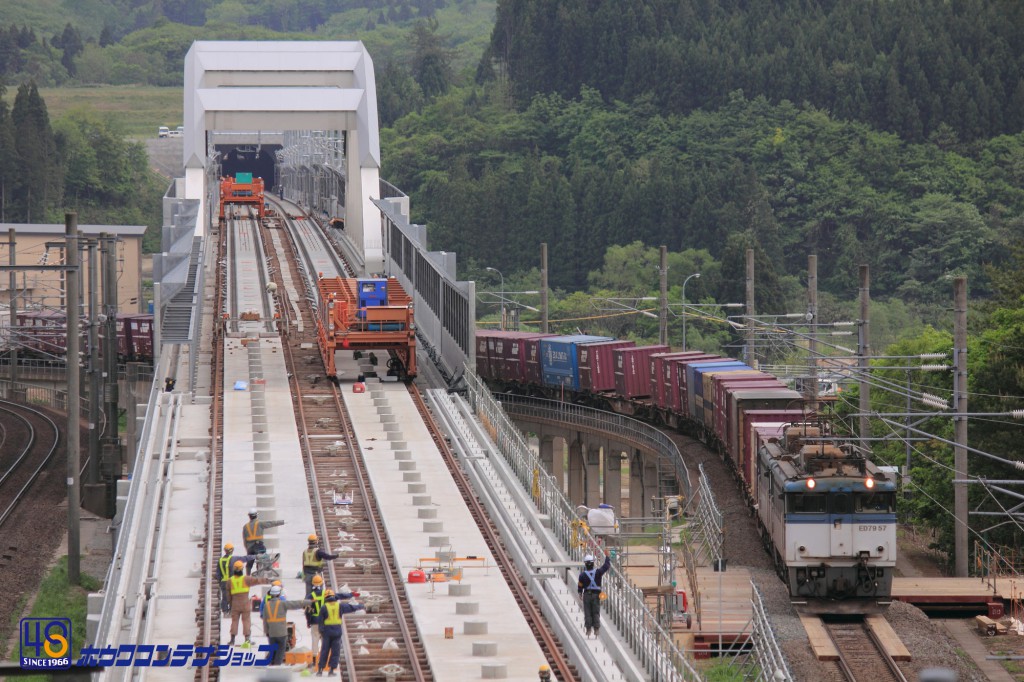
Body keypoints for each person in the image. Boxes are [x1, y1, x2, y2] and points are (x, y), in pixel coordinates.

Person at [316, 589, 365, 676]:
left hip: (327, 632)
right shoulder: (340, 606)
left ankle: (320, 670)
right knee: (335, 651)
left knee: (324, 650)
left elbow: (320, 622)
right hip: (337, 631)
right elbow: (351, 608)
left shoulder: (324, 607)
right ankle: (331, 670)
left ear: (325, 598)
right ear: (333, 596)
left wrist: (321, 632)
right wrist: (362, 606)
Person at [261, 584, 311, 665]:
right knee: (280, 650)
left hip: (271, 633)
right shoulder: (282, 604)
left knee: (273, 650)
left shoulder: (266, 605)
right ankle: (277, 666)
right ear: (279, 594)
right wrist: (309, 602)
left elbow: (265, 620)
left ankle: (271, 665)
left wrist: (266, 632)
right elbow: (295, 604)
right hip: (282, 633)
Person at [305, 577, 354, 658]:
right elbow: (340, 596)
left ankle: (314, 658)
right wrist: (351, 594)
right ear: (322, 583)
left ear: (313, 584)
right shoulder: (327, 594)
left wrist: (308, 622)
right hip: (325, 621)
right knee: (325, 640)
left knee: (315, 638)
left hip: (315, 621)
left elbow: (307, 611)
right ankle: (326, 658)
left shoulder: (310, 596)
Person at [227, 560, 270, 646]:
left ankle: (232, 640)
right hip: (245, 603)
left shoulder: (230, 581)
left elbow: (228, 595)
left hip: (235, 603)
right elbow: (257, 581)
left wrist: (230, 604)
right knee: (246, 621)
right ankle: (247, 639)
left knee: (234, 621)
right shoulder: (246, 579)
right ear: (242, 569)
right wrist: (267, 580)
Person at [577, 553, 611, 637]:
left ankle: (588, 629)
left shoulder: (582, 575)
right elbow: (606, 566)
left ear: (585, 564)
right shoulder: (598, 572)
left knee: (587, 612)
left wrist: (580, 593)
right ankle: (596, 629)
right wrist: (607, 557)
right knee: (596, 612)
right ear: (593, 563)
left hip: (587, 596)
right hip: (596, 595)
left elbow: (580, 585)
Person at [216, 543, 255, 615]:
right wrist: (254, 556)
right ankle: (231, 611)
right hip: (231, 581)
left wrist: (220, 582)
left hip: (223, 582)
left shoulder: (220, 560)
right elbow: (245, 558)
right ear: (232, 550)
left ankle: (225, 612)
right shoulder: (234, 559)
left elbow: (218, 574)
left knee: (224, 597)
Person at [243, 508, 285, 575]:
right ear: (256, 515)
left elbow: (244, 540)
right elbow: (271, 523)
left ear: (249, 516)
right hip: (259, 546)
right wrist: (282, 522)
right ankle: (260, 573)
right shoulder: (259, 523)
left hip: (250, 548)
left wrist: (248, 549)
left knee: (249, 564)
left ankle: (247, 576)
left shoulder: (245, 527)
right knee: (262, 559)